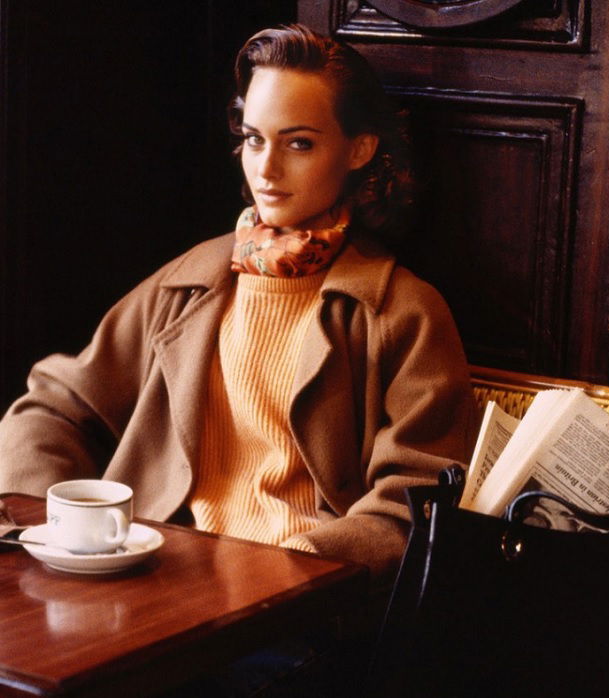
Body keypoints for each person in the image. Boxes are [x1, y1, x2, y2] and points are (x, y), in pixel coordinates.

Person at [0, 25, 475, 689]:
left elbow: (414, 505)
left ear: (360, 148)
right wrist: (56, 525)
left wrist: (299, 570)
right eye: (254, 139)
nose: (266, 169)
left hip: (296, 625)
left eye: (298, 143)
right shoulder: (191, 281)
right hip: (148, 594)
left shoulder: (402, 310)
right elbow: (50, 404)